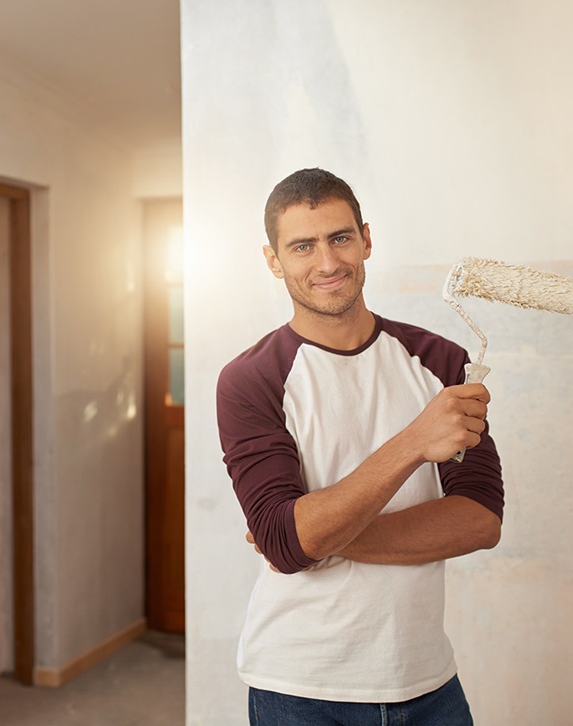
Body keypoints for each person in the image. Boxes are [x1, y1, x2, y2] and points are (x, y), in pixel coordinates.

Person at [216, 168, 505, 725]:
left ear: (366, 239)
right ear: (274, 261)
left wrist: (316, 539)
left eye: (340, 238)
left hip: (428, 682)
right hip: (298, 688)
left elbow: (480, 520)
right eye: (302, 246)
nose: (327, 263)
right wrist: (414, 442)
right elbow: (285, 541)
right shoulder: (249, 380)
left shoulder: (441, 362)